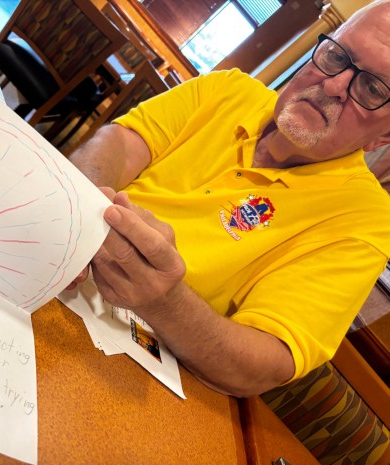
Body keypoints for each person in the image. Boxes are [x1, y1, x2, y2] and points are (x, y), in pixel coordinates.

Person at [66, 0, 390, 397]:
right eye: (337, 56)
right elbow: (118, 142)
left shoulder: (366, 220)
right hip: (63, 264)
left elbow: (262, 367)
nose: (335, 85)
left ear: (384, 138)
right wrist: (80, 210)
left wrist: (165, 301)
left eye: (373, 88)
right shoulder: (229, 88)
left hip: (127, 366)